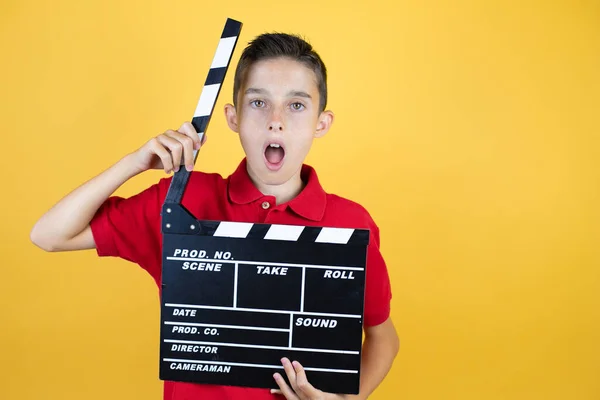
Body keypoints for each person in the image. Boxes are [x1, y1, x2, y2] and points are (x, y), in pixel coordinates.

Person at [30, 32, 399, 400]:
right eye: (258, 102)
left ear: (322, 123)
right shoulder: (184, 201)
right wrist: (134, 163)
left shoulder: (351, 223)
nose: (276, 121)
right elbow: (49, 235)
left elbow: (383, 337)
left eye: (296, 106)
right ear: (233, 117)